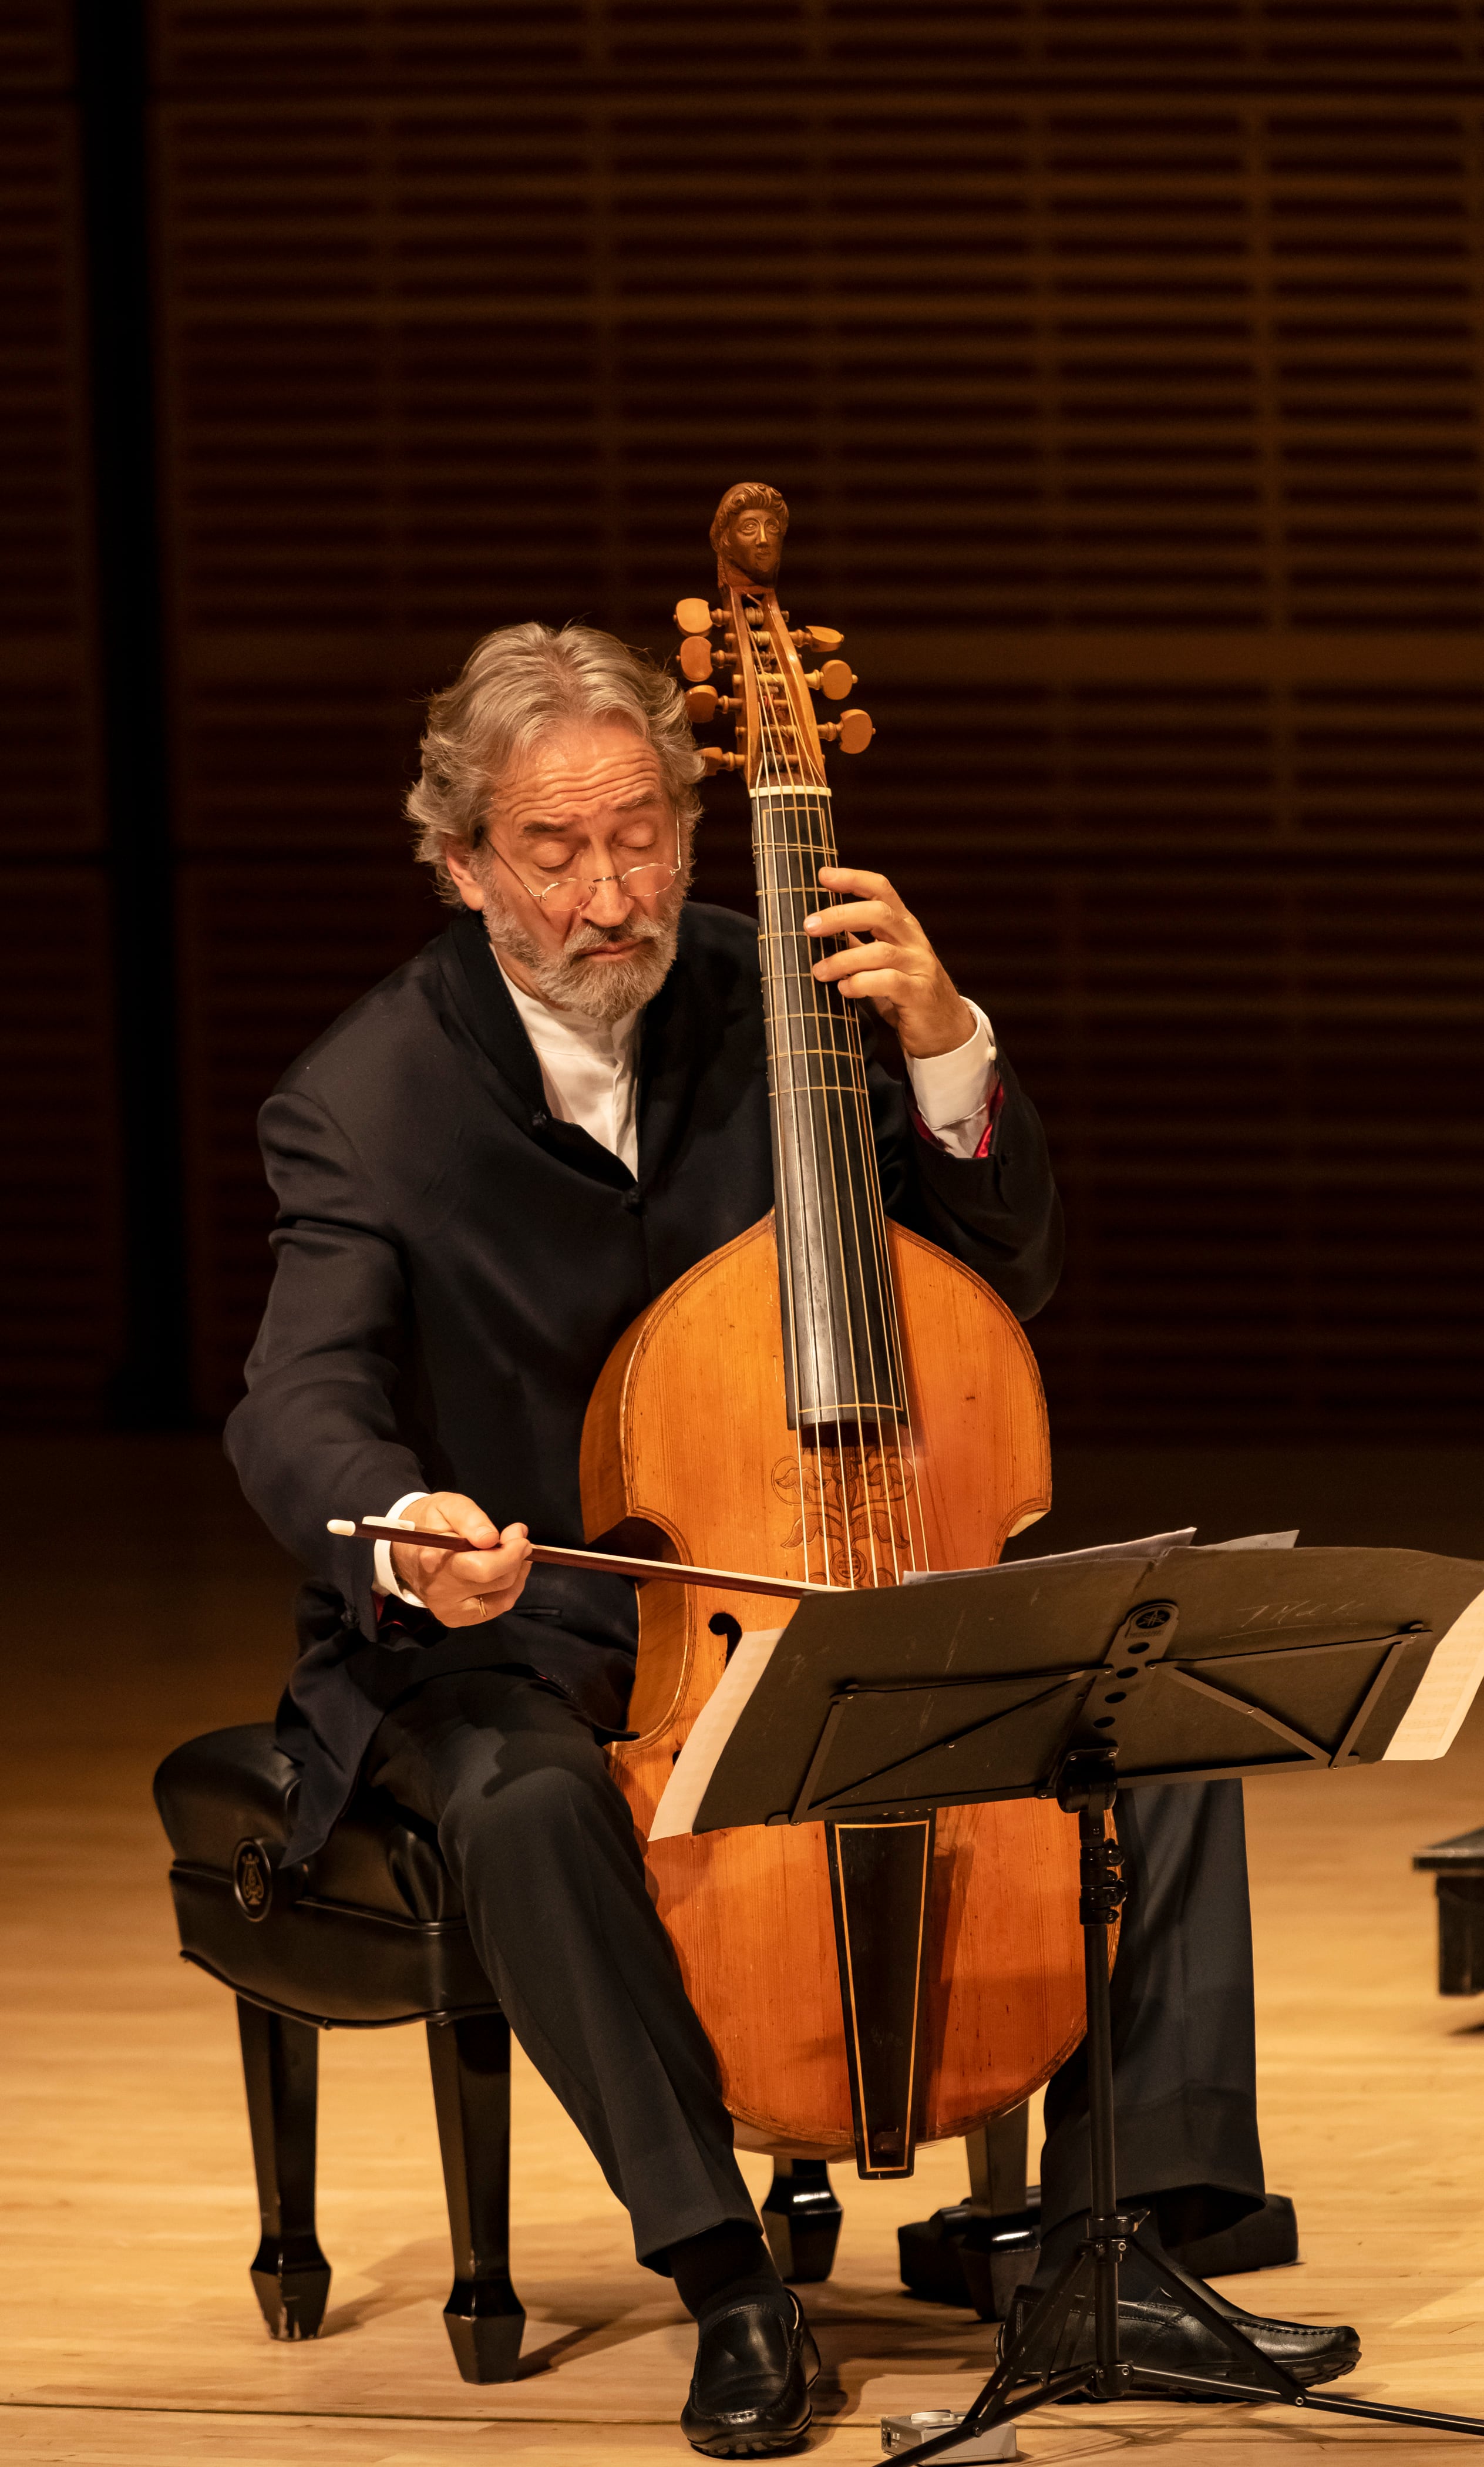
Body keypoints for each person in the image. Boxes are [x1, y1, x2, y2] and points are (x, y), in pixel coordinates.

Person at [225, 619, 1357, 2452]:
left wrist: (946, 1044)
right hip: (532, 1636)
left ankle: (1120, 2247)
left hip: (834, 1586)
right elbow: (296, 1400)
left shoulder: (791, 997)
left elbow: (1009, 1273)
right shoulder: (366, 1099)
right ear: (461, 865)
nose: (614, 891)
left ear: (693, 816)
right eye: (555, 849)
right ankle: (727, 2287)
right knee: (521, 1800)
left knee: (1152, 1710)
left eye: (645, 833)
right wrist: (408, 1521)